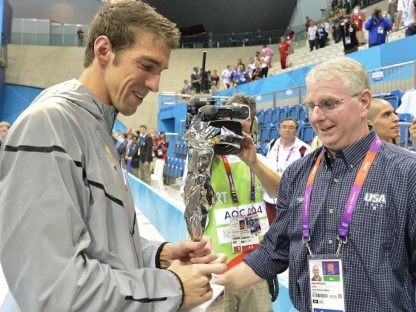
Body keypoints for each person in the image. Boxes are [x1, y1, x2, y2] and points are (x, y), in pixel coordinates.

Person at [0, 1, 227, 311]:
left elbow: (100, 244)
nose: (155, 85)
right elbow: (52, 288)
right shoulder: (50, 125)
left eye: (160, 72)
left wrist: (159, 255)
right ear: (104, 50)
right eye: (147, 66)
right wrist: (171, 288)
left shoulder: (97, 130)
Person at [213, 57, 416, 311]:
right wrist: (209, 289)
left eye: (329, 104)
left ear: (363, 102)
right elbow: (273, 251)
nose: (317, 117)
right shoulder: (297, 174)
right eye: (311, 106)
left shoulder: (407, 173)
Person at [200, 93, 280, 312]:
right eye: (232, 113)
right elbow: (191, 205)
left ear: (252, 121)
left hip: (255, 266)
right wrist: (202, 151)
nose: (239, 120)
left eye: (245, 115)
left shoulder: (262, 156)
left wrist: (253, 163)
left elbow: (279, 191)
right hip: (217, 265)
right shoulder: (205, 156)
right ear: (223, 118)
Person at [263, 117, 310, 224]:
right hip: (270, 197)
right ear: (279, 130)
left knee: (287, 229)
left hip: (290, 198)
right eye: (284, 127)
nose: (287, 130)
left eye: (291, 128)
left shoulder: (303, 148)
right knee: (271, 229)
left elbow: (306, 174)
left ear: (296, 131)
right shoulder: (272, 143)